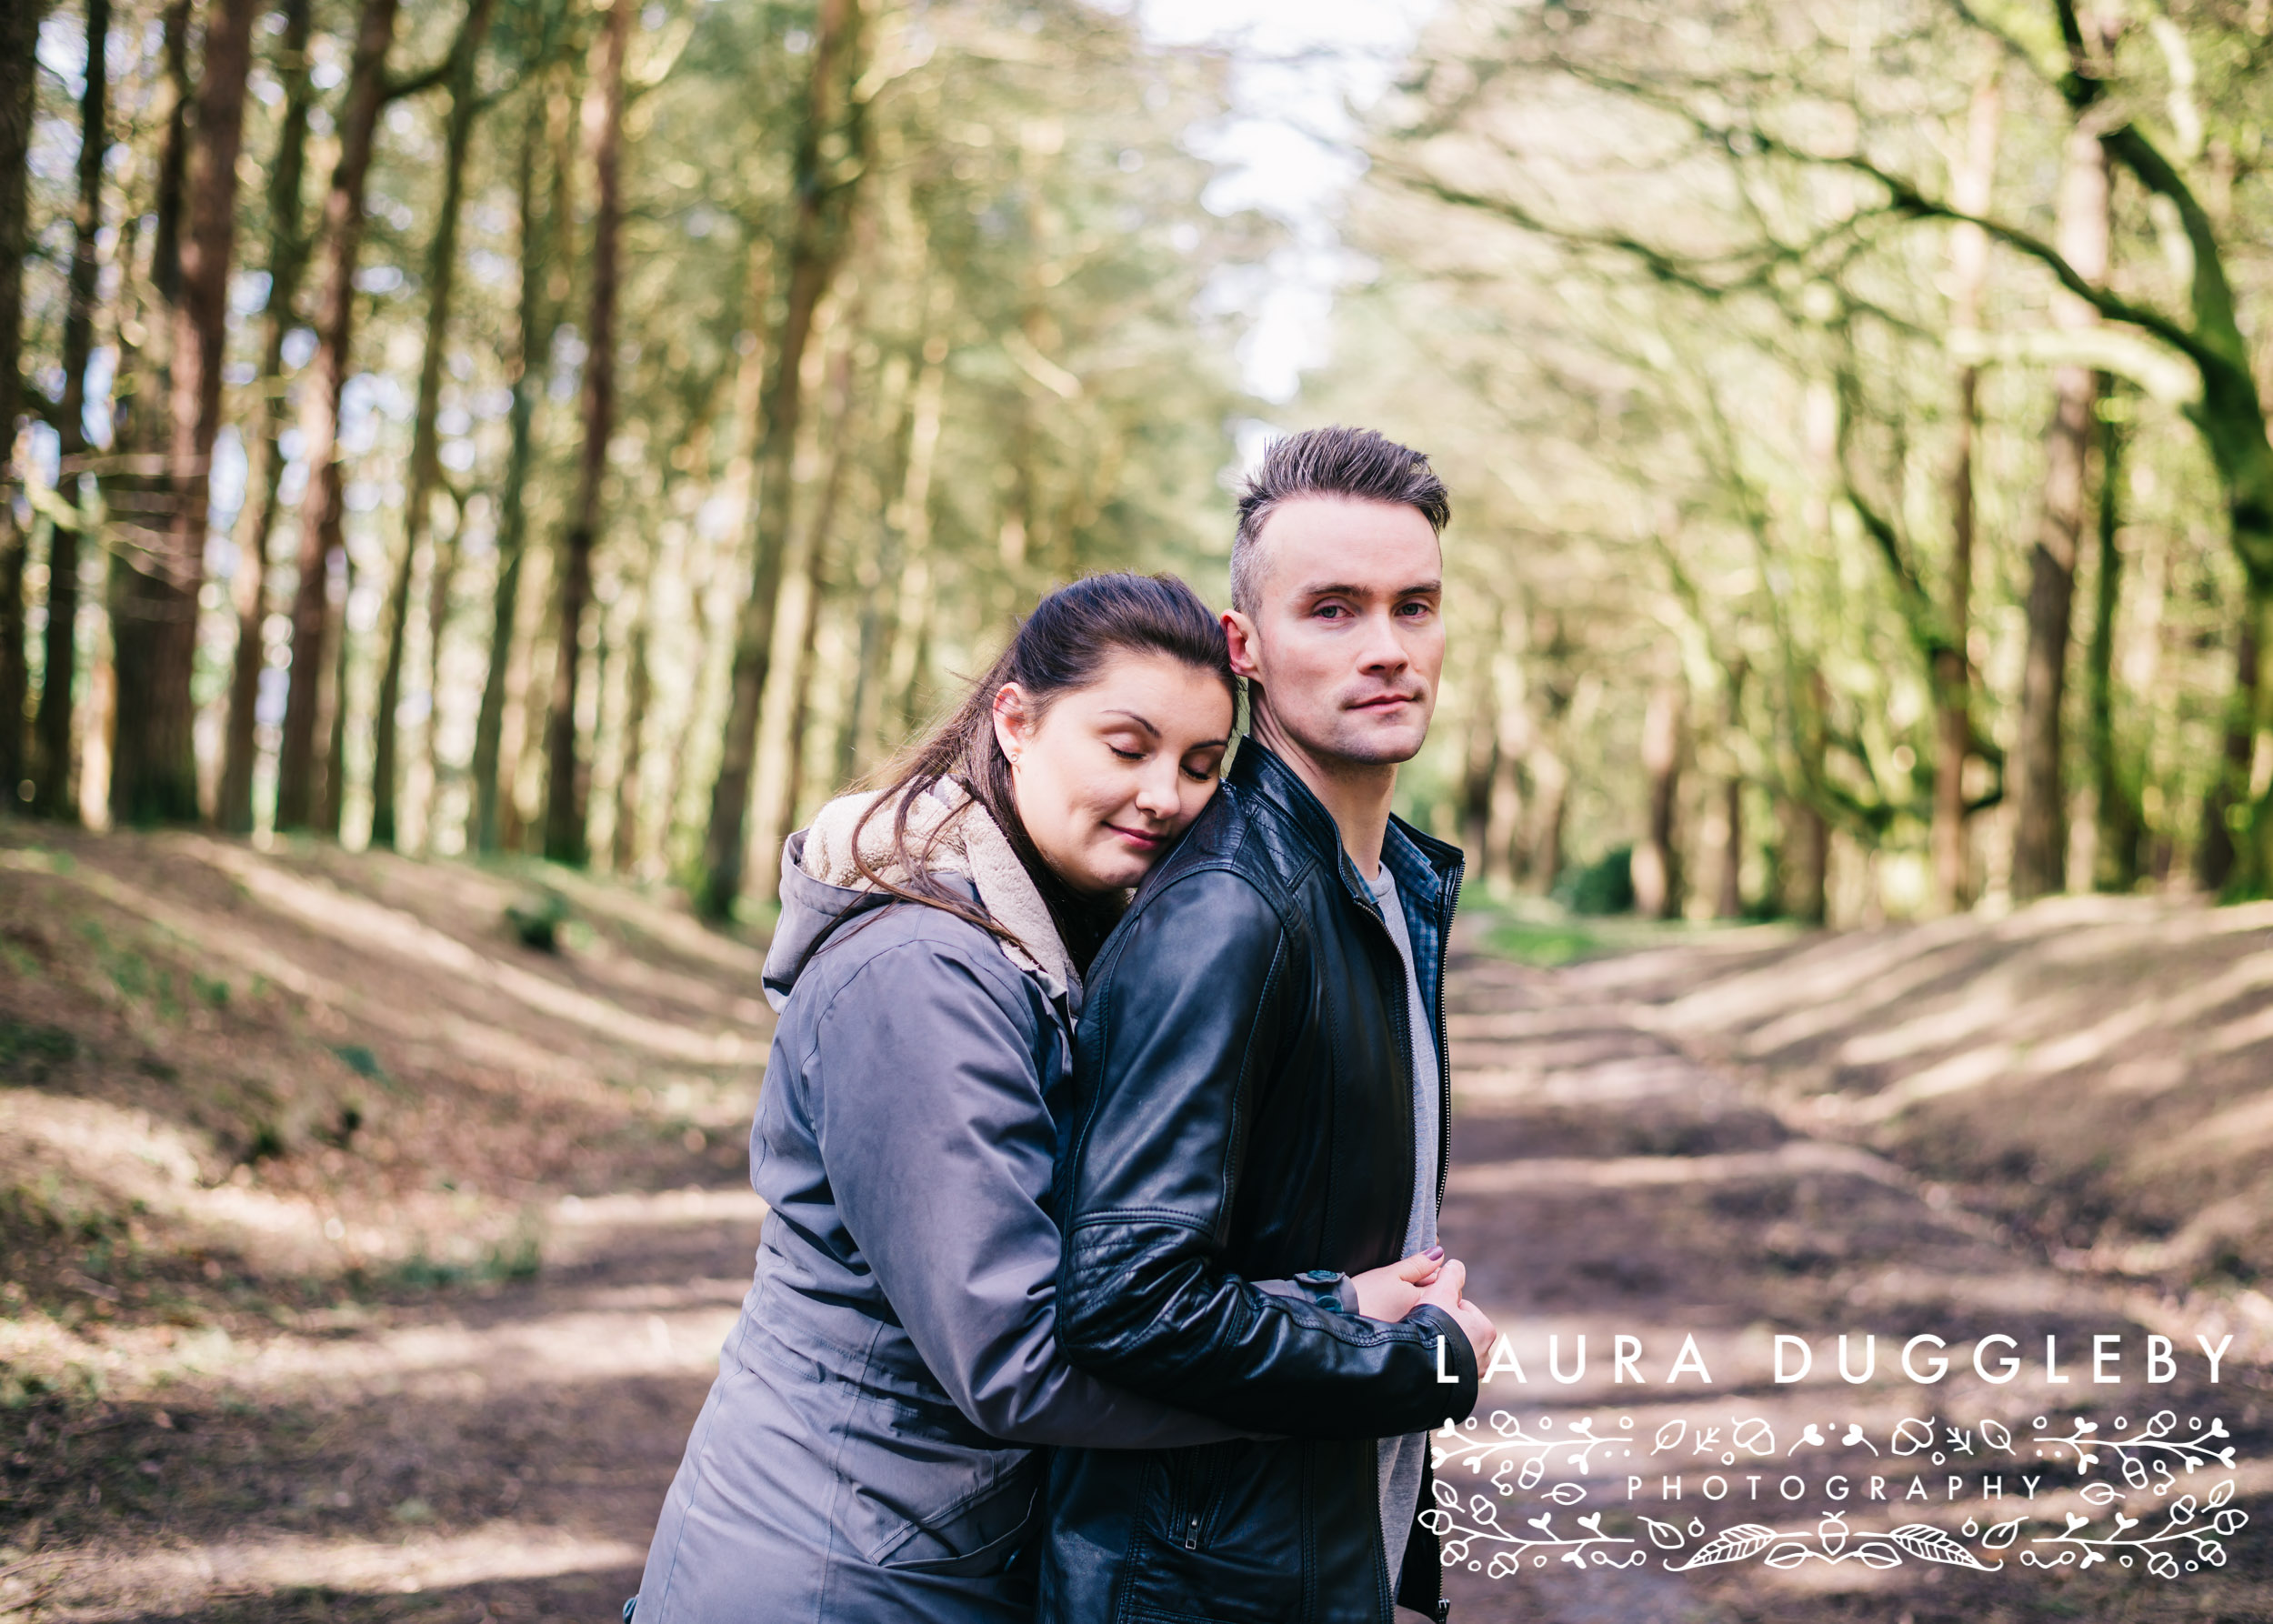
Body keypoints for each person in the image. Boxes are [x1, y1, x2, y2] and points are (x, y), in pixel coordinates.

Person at [628, 572, 1446, 1624]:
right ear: (1014, 720)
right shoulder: (916, 970)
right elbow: (1010, 1357)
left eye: (1202, 765)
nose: (1166, 794)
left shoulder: (1054, 943)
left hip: (947, 1563)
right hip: (834, 1576)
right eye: (1127, 745)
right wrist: (1345, 1334)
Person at [1044, 428, 1498, 1624]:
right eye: (1334, 611)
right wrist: (1421, 1362)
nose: (1388, 648)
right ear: (1246, 646)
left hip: (1304, 1551)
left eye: (1416, 605)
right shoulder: (1229, 912)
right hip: (1187, 1583)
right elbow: (1125, 1298)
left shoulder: (1391, 885)